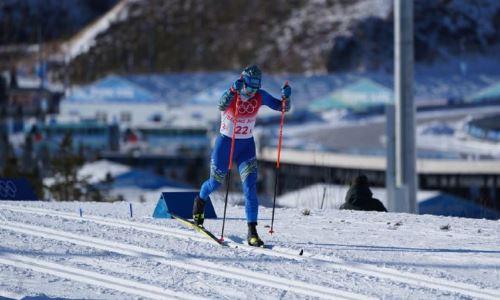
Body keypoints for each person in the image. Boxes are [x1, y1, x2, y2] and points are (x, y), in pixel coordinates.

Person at [192, 65, 291, 247]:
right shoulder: (233, 93)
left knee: (250, 188)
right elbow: (221, 104)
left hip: (246, 146)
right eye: (250, 85)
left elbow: (283, 108)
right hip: (225, 144)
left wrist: (287, 97)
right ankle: (199, 202)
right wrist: (232, 91)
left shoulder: (260, 96)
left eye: (257, 85)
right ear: (242, 81)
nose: (253, 90)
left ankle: (252, 232)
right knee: (215, 182)